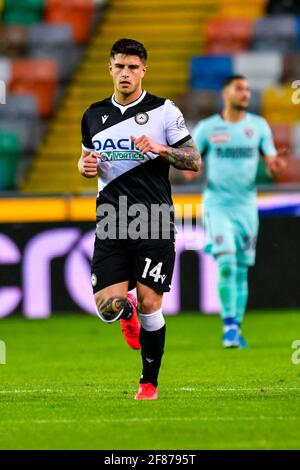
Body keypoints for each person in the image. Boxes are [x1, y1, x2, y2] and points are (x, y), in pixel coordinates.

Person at [78, 39, 201, 399]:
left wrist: (161, 149)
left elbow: (194, 161)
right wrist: (83, 166)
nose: (126, 73)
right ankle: (125, 310)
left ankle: (149, 383)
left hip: (154, 219)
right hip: (112, 220)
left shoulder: (165, 111)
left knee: (151, 302)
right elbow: (88, 160)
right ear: (110, 69)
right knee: (106, 309)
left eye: (133, 67)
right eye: (120, 66)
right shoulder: (93, 114)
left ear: (143, 70)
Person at [185, 75, 285, 348]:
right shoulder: (207, 129)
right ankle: (228, 326)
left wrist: (274, 168)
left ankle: (235, 328)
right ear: (225, 93)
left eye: (248, 90)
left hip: (246, 207)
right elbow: (189, 165)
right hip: (218, 204)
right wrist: (192, 171)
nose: (245, 94)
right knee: (227, 263)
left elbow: (271, 161)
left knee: (240, 269)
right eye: (239, 89)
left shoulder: (259, 126)